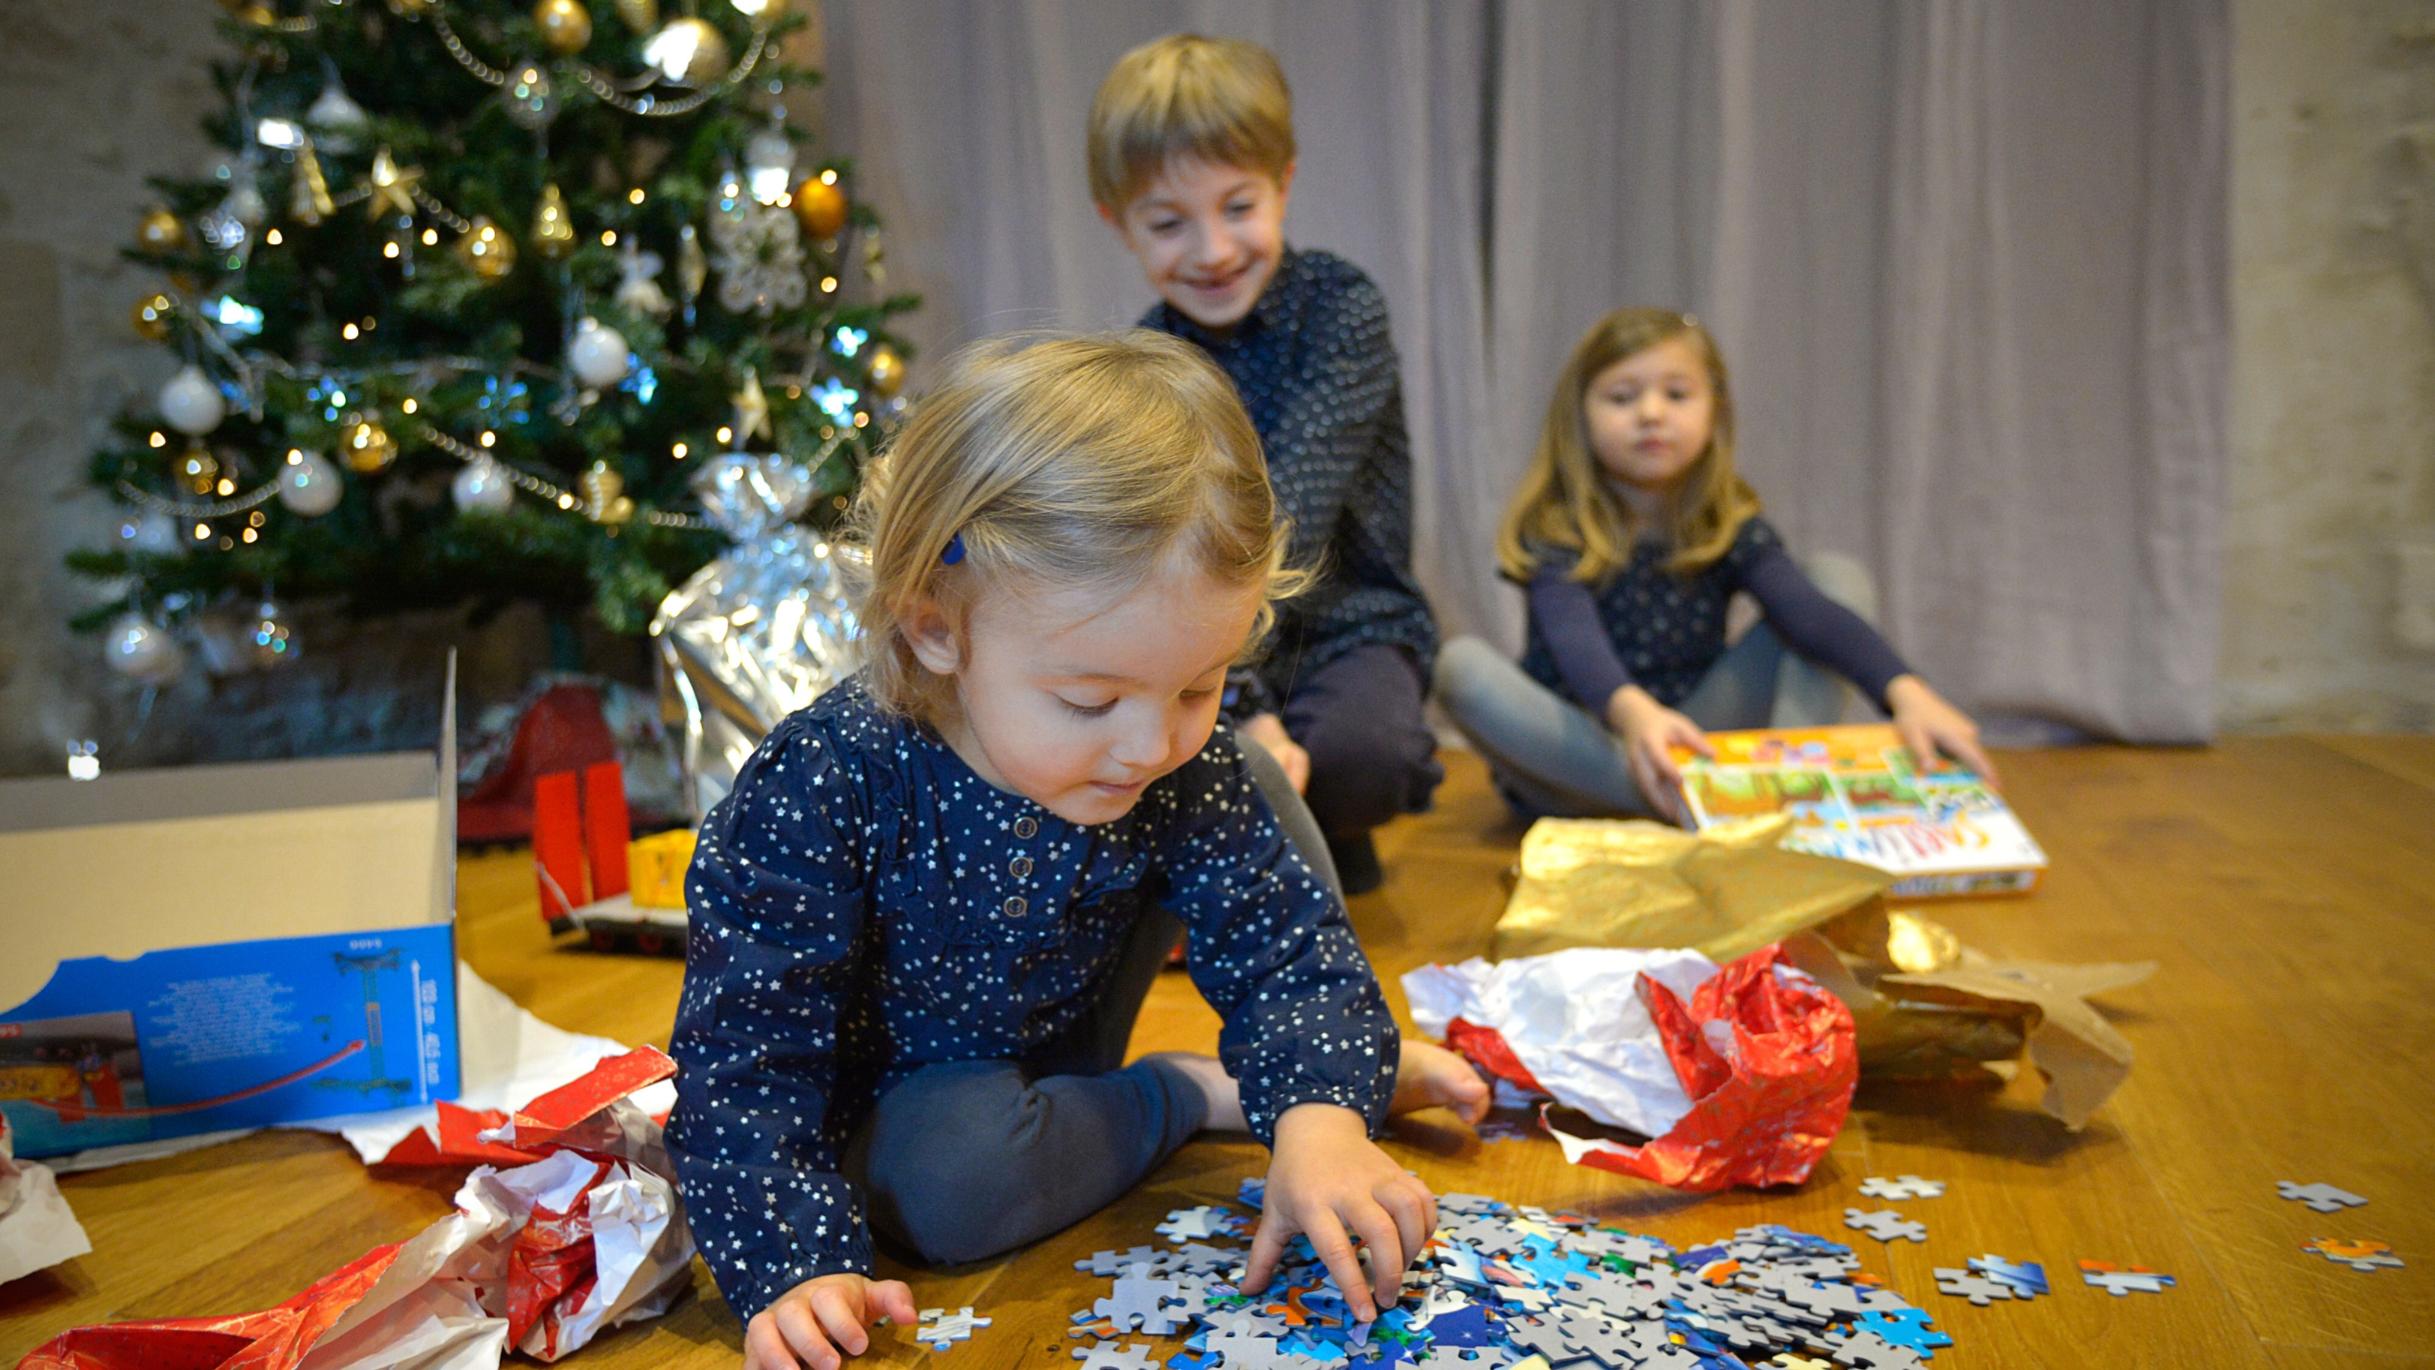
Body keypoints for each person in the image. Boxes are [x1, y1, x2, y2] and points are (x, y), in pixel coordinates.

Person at [667, 331, 1487, 1370]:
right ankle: (1198, 1090)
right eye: (1089, 699)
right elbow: (745, 1055)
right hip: (907, 1102)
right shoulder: (822, 778)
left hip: (1066, 1042)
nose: (1148, 740)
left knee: (1243, 773)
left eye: (1198, 681)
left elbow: (1286, 946)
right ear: (934, 630)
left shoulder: (1166, 756)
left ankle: (1311, 1085)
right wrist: (791, 1266)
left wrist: (1323, 1122)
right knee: (949, 1184)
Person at [1091, 33, 1441, 894]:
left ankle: (1311, 824)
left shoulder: (1341, 309)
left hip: (1341, 621)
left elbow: (1287, 509)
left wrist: (1252, 707)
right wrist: (1237, 704)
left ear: (1282, 184)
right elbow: (1154, 548)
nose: (1211, 250)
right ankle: (1247, 837)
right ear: (1121, 226)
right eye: (1170, 223)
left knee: (1364, 753)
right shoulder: (1145, 358)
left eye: (1237, 207)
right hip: (1195, 634)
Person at [1436, 307, 1996, 823]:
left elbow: (1805, 612)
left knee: (1837, 579)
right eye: (1623, 397)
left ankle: (1787, 788)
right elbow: (1574, 640)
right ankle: (1696, 805)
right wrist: (1634, 717)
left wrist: (1905, 690)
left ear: (1715, 411)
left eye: (1676, 394)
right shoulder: (1557, 529)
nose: (1651, 414)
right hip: (1589, 748)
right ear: (1579, 416)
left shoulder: (1726, 523)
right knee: (1461, 666)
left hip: (1701, 739)